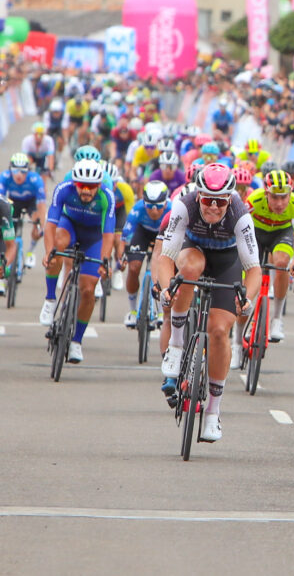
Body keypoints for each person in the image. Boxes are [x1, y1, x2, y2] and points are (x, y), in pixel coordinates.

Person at [155, 164, 262, 443]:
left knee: (218, 330)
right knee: (189, 269)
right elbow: (166, 256)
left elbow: (253, 270)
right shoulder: (184, 206)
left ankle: (213, 412)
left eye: (221, 201)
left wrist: (246, 299)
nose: (214, 206)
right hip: (195, 251)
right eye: (207, 200)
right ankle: (177, 346)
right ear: (198, 194)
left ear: (230, 198)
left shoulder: (241, 216)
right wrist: (167, 288)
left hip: (227, 261)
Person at [41, 159, 115, 362]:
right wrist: (49, 252)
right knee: (56, 248)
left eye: (91, 187)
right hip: (69, 226)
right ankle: (50, 299)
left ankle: (76, 342)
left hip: (94, 237)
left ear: (98, 185)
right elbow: (50, 224)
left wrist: (105, 261)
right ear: (75, 183)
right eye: (82, 185)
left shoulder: (107, 196)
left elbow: (108, 234)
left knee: (88, 289)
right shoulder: (63, 189)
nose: (86, 190)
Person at [242, 169, 294, 345]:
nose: (279, 203)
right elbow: (238, 231)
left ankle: (277, 319)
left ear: (290, 194)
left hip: (281, 233)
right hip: (255, 233)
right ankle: (237, 341)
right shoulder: (253, 200)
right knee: (245, 277)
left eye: (283, 197)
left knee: (281, 262)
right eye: (274, 197)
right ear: (266, 194)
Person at [121, 181, 170, 328]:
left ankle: (162, 310)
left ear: (165, 203)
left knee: (166, 267)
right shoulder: (137, 209)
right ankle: (133, 310)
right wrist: (123, 256)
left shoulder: (173, 209)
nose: (154, 211)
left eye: (159, 206)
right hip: (143, 233)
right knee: (134, 267)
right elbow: (126, 235)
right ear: (144, 203)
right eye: (149, 206)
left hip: (164, 234)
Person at [0, 153, 46, 269]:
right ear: (10, 170)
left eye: (23, 171)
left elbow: (41, 203)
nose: (19, 175)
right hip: (12, 201)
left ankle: (30, 251)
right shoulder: (4, 177)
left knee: (38, 225)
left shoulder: (35, 179)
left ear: (28, 171)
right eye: (15, 171)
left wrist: (40, 223)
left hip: (31, 202)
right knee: (7, 231)